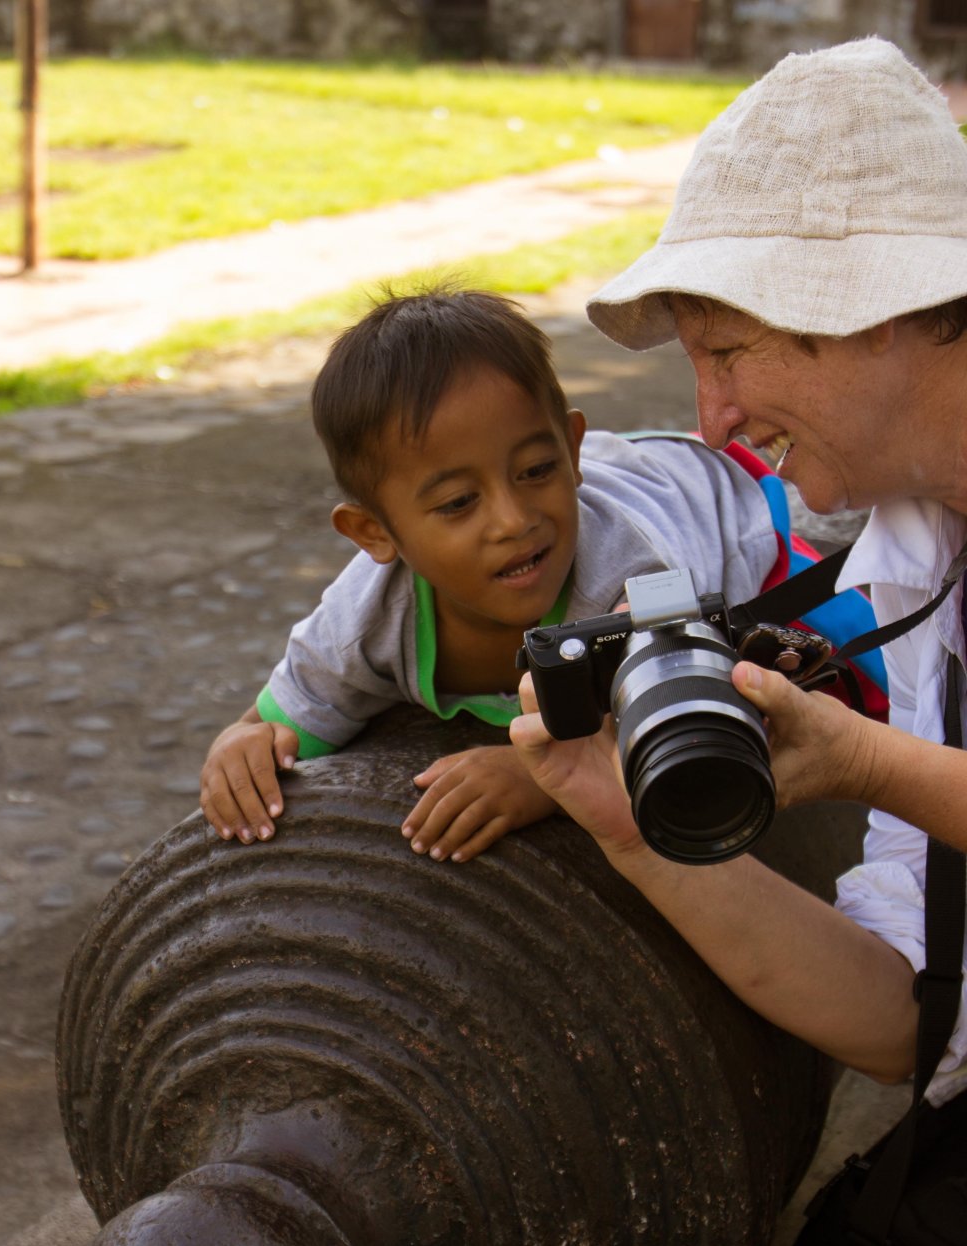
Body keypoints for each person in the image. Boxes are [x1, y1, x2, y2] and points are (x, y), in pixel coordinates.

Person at [511, 38, 967, 1106]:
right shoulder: (921, 553)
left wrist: (864, 762)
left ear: (875, 308)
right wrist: (632, 835)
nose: (711, 421)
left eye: (725, 353)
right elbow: (912, 1020)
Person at [200, 286, 780, 864]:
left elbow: (694, 714)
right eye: (457, 503)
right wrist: (243, 742)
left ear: (568, 453)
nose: (513, 520)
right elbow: (287, 715)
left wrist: (544, 781)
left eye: (537, 469)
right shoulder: (363, 619)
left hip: (699, 493)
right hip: (606, 471)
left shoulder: (634, 580)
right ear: (373, 532)